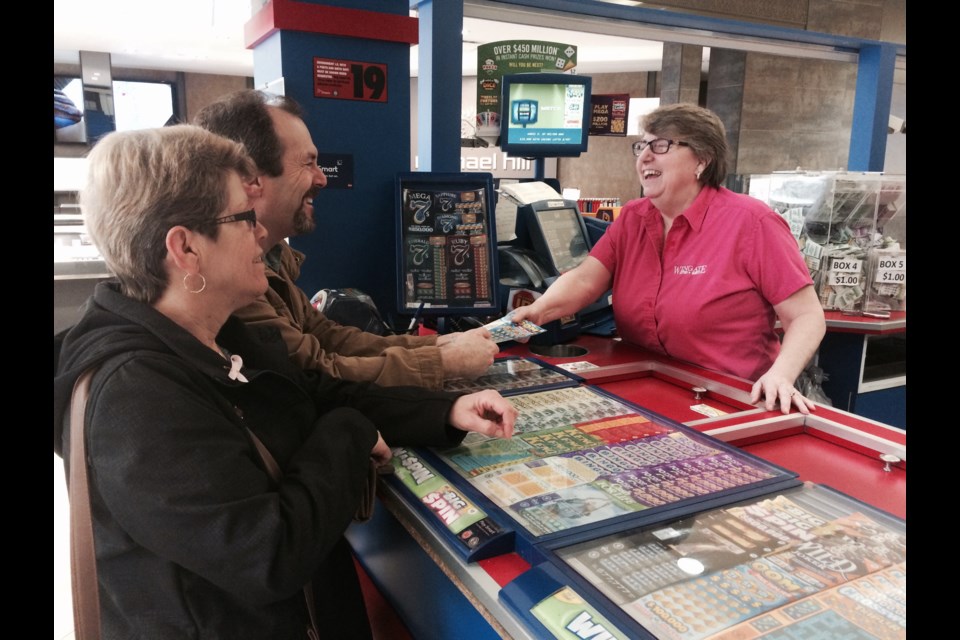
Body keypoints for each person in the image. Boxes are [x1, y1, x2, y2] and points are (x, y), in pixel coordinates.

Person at [52, 125, 517, 639]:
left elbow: (310, 389)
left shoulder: (213, 329)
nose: (260, 232)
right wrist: (350, 431)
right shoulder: (136, 394)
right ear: (185, 249)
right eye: (243, 218)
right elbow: (266, 555)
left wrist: (442, 411)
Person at [511, 103, 825, 415]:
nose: (645, 156)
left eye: (661, 145)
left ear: (702, 159)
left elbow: (807, 316)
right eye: (642, 146)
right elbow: (584, 280)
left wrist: (780, 375)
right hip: (647, 389)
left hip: (730, 399)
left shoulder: (752, 223)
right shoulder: (634, 218)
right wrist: (538, 311)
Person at [194, 90, 499, 390]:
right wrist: (443, 363)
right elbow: (311, 370)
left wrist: (437, 345)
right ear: (252, 177)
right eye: (308, 163)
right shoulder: (228, 276)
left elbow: (327, 337)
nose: (322, 178)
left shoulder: (274, 256)